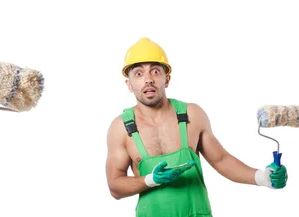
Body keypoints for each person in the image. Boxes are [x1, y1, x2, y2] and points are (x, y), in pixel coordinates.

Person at [104, 37, 288, 217]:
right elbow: (115, 187)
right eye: (138, 73)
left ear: (167, 79)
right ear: (129, 84)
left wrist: (262, 178)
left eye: (155, 71)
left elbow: (221, 160)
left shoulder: (192, 115)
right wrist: (151, 180)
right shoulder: (121, 128)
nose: (148, 79)